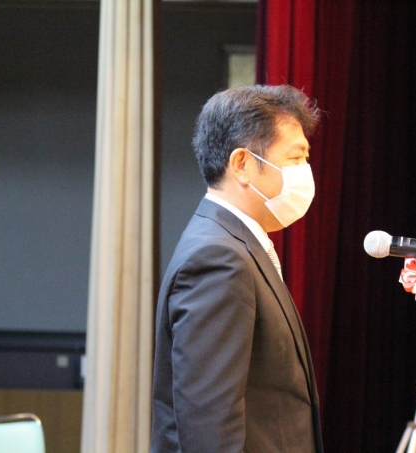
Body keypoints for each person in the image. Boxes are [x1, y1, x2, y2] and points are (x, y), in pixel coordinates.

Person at [152, 84, 324, 452]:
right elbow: (210, 425)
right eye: (295, 158)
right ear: (242, 164)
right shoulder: (218, 258)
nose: (304, 172)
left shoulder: (236, 244)